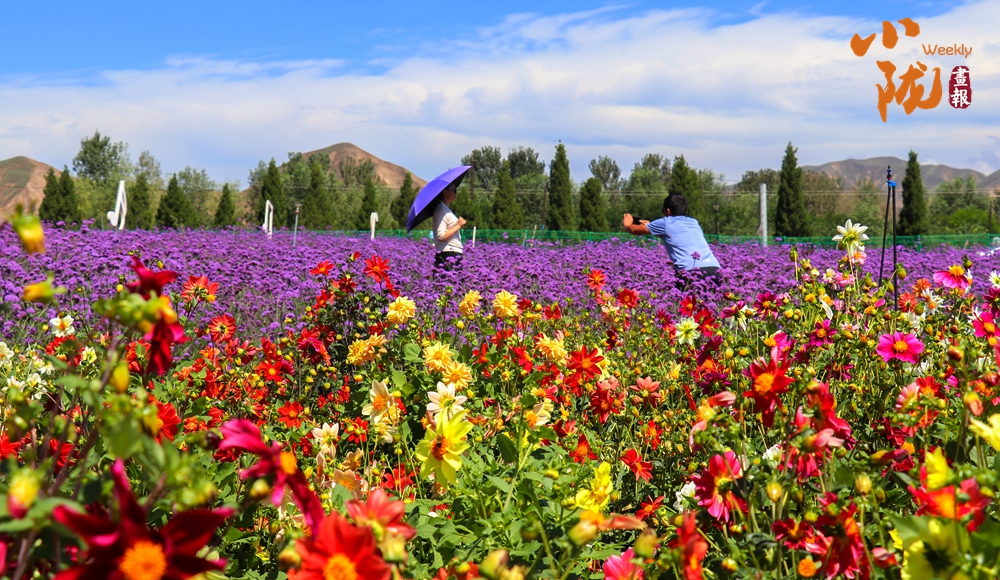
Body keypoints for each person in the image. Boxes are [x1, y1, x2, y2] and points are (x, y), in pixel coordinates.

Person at [622, 194, 721, 282]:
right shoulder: (693, 222)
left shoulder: (665, 222)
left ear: (668, 211)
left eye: (663, 211)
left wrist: (627, 223)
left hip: (689, 272)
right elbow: (673, 236)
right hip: (714, 269)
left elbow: (633, 230)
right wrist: (652, 227)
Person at [433, 184, 466, 270]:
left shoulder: (445, 209)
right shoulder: (441, 210)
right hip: (448, 253)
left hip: (452, 252)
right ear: (445, 192)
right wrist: (458, 225)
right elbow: (441, 236)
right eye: (454, 191)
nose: (456, 193)